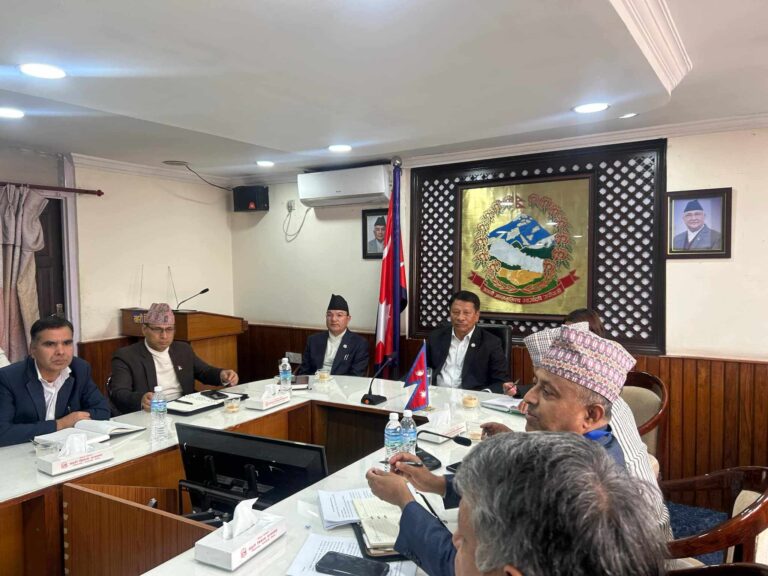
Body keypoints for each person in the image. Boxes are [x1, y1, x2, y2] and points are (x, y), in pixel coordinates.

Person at [367, 432, 667, 576]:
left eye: (465, 541)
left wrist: (405, 501)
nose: (528, 398)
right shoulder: (596, 479)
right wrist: (435, 484)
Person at [484, 320, 673, 537]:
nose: (528, 397)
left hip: (644, 537)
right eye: (535, 383)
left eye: (547, 390)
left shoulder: (587, 483)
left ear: (591, 415)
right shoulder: (594, 431)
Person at [0, 316, 110, 447]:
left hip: (66, 449)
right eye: (50, 344)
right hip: (21, 451)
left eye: (67, 343)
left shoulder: (80, 369)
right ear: (32, 349)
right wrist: (60, 424)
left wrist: (75, 419)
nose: (61, 352)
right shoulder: (8, 378)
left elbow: (102, 411)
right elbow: (3, 432)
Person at [109, 303, 238, 414]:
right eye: (157, 329)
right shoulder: (126, 356)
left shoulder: (182, 349)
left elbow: (204, 371)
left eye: (169, 329)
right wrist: (141, 399)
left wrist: (222, 375)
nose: (164, 336)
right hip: (154, 413)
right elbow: (118, 392)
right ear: (144, 329)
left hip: (185, 409)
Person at [427, 290, 514, 394]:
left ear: (477, 315)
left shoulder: (491, 343)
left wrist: (483, 394)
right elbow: (423, 369)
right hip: (437, 395)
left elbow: (501, 381)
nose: (460, 318)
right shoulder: (435, 337)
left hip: (472, 398)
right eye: (456, 312)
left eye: (466, 313)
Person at [297, 294, 369, 376]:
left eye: (339, 315)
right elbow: (304, 371)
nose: (333, 319)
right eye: (329, 315)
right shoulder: (313, 340)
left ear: (348, 319)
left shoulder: (359, 343)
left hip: (343, 384)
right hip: (315, 382)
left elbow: (356, 375)